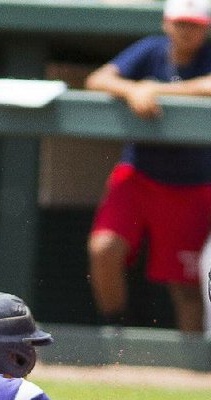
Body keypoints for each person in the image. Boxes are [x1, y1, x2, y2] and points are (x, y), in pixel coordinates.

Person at [85, 0, 211, 332]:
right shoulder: (151, 50)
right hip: (139, 174)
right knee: (104, 248)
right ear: (167, 24)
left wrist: (159, 90)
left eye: (194, 25)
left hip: (192, 184)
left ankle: (190, 371)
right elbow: (97, 79)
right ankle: (116, 333)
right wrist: (132, 90)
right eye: (180, 23)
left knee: (187, 284)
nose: (186, 31)